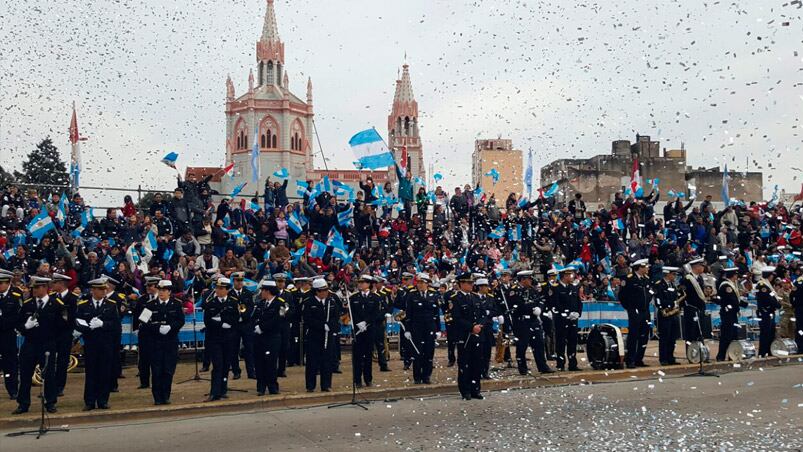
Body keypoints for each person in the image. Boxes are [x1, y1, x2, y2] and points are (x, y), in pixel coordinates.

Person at [14, 276, 67, 415]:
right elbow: (18, 323)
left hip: (47, 344)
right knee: (25, 375)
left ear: (45, 288)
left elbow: (62, 326)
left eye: (37, 288)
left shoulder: (56, 304)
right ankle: (23, 403)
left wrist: (54, 341)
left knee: (48, 375)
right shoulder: (28, 304)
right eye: (34, 288)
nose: (35, 290)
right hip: (30, 344)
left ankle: (50, 402)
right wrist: (26, 327)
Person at [75, 277, 120, 410]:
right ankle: (89, 401)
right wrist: (87, 327)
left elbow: (116, 325)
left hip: (106, 343)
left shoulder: (111, 305)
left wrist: (103, 324)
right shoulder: (83, 305)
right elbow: (77, 323)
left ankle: (102, 400)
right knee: (91, 373)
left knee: (104, 372)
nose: (103, 291)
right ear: (93, 290)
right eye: (100, 289)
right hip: (91, 343)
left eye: (104, 289)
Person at [141, 280, 184, 405]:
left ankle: (166, 395)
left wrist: (171, 327)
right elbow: (143, 321)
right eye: (159, 290)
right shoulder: (150, 305)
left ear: (169, 292)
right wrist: (157, 328)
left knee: (168, 370)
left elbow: (180, 321)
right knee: (156, 370)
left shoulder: (176, 304)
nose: (161, 293)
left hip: (170, 341)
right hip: (155, 342)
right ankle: (157, 397)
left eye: (164, 290)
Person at [509, 270, 553, 375]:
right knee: (522, 346)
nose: (530, 281)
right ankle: (522, 368)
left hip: (533, 321)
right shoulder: (515, 291)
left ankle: (542, 366)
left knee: (539, 344)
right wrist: (532, 308)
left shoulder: (532, 290)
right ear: (522, 279)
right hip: (522, 321)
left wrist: (539, 308)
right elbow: (517, 305)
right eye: (528, 279)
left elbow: (541, 300)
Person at [302, 278, 342, 392]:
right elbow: (308, 319)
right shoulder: (309, 302)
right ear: (316, 291)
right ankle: (310, 385)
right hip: (314, 335)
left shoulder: (331, 302)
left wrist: (330, 325)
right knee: (312, 361)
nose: (325, 292)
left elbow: (336, 316)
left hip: (327, 335)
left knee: (327, 360)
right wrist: (321, 325)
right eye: (322, 290)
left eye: (326, 290)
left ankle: (326, 385)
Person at [450, 272, 485, 400]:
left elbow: (482, 314)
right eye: (468, 283)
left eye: (472, 283)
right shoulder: (455, 298)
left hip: (477, 334)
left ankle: (476, 389)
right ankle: (465, 390)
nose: (471, 285)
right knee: (465, 363)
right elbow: (456, 318)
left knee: (477, 363)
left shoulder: (475, 298)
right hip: (464, 336)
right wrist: (471, 327)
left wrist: (480, 325)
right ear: (461, 284)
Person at [203, 277, 239, 401]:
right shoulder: (211, 303)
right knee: (217, 365)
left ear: (227, 290)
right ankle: (214, 391)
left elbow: (236, 319)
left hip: (229, 338)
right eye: (217, 288)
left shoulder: (233, 302)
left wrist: (226, 322)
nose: (218, 290)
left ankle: (223, 389)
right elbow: (207, 321)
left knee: (225, 365)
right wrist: (220, 324)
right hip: (215, 338)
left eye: (221, 288)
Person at [403, 273, 441, 384]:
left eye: (422, 283)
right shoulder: (412, 295)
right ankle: (417, 377)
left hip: (430, 327)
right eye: (418, 282)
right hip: (416, 328)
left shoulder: (433, 295)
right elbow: (408, 314)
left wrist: (438, 329)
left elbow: (436, 314)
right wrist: (407, 329)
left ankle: (426, 375)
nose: (419, 285)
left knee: (429, 353)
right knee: (417, 353)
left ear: (427, 284)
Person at [253, 280, 285, 395]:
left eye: (263, 290)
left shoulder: (280, 303)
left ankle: (272, 386)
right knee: (259, 363)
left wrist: (263, 327)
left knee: (271, 363)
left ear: (268, 291)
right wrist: (256, 326)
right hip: (260, 338)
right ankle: (261, 386)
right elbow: (255, 316)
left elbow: (279, 320)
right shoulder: (261, 303)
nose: (261, 292)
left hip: (272, 337)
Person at [348, 275, 380, 387]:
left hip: (369, 329)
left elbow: (376, 313)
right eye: (359, 282)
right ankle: (357, 380)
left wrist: (366, 322)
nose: (360, 284)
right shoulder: (353, 298)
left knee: (368, 355)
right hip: (357, 331)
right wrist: (358, 323)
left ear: (369, 284)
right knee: (357, 356)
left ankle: (368, 378)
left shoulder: (375, 298)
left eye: (363, 282)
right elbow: (352, 313)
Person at [619, 259, 651, 368]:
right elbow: (622, 295)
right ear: (639, 268)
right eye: (644, 266)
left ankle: (639, 358)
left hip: (645, 310)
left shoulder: (646, 279)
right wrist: (629, 308)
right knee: (633, 335)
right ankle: (630, 359)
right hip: (634, 310)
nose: (647, 268)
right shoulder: (629, 279)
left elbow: (649, 292)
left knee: (644, 335)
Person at [553, 267, 583, 371]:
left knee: (573, 342)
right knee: (561, 342)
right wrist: (566, 313)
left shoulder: (573, 287)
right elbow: (556, 304)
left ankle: (572, 363)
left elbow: (578, 301)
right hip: (562, 320)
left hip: (573, 319)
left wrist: (578, 313)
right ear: (564, 276)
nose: (572, 277)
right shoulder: (556, 288)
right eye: (569, 275)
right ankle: (560, 364)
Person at [133, 276, 161, 389]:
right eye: (147, 286)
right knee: (144, 359)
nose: (148, 288)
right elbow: (137, 316)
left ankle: (157, 381)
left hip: (158, 333)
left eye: (150, 286)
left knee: (157, 360)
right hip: (144, 333)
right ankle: (144, 381)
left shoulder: (161, 299)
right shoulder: (142, 299)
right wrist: (135, 328)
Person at [652, 266, 682, 365]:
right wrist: (671, 304)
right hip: (664, 313)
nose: (675, 276)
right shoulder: (659, 285)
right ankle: (663, 358)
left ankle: (670, 357)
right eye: (673, 274)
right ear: (667, 274)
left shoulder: (673, 285)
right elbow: (658, 301)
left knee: (672, 337)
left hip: (673, 314)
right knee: (665, 337)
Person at [716, 268, 747, 361]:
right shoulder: (726, 286)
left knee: (733, 335)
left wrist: (744, 304)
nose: (737, 277)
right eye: (736, 275)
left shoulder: (732, 285)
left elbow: (735, 300)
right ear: (733, 275)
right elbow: (732, 300)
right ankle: (721, 356)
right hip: (728, 314)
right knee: (727, 335)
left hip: (732, 314)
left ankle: (731, 355)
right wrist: (741, 304)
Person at [0, 269, 22, 400]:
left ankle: (13, 389)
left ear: (8, 283)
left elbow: (17, 316)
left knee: (10, 363)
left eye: (1, 283)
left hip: (8, 334)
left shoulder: (15, 295)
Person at [229, 272, 253, 380]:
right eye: (237, 281)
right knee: (233, 349)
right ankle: (236, 371)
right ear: (233, 281)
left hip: (246, 324)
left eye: (241, 281)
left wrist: (244, 316)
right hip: (234, 325)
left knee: (249, 348)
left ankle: (251, 371)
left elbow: (251, 308)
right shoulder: (229, 294)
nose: (239, 283)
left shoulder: (248, 293)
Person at [756, 266, 782, 357]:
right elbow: (767, 299)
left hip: (770, 311)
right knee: (765, 333)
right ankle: (762, 353)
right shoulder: (762, 285)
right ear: (768, 275)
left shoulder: (767, 284)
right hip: (765, 312)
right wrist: (778, 305)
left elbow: (771, 296)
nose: (773, 277)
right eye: (772, 275)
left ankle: (769, 351)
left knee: (771, 332)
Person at [682, 258, 708, 345]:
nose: (703, 268)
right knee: (691, 332)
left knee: (700, 331)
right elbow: (685, 294)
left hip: (700, 308)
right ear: (696, 266)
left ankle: (700, 351)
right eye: (701, 266)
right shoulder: (687, 278)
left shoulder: (700, 278)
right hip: (691, 308)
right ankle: (691, 353)